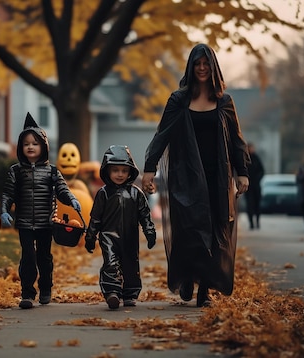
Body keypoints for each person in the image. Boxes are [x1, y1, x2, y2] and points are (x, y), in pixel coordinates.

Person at [141, 43, 250, 307]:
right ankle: (187, 276)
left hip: (216, 178)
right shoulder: (178, 101)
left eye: (206, 64)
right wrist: (149, 169)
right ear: (191, 67)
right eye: (197, 64)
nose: (202, 68)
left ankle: (206, 289)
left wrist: (242, 172)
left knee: (214, 231)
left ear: (213, 67)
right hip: (185, 177)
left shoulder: (224, 102)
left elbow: (236, 139)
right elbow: (162, 135)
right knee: (188, 230)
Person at [0, 112, 81, 309]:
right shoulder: (16, 171)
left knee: (44, 257)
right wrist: (3, 210)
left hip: (46, 222)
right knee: (28, 257)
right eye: (26, 143)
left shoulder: (52, 171)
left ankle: (46, 288)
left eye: (34, 143)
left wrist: (71, 199)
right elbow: (8, 194)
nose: (30, 147)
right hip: (25, 222)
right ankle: (27, 293)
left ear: (43, 147)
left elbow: (62, 189)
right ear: (21, 147)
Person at [84, 145, 157, 309]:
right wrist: (90, 237)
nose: (120, 174)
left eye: (124, 170)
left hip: (130, 237)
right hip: (108, 236)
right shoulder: (103, 193)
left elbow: (145, 215)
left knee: (131, 264)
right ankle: (112, 293)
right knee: (110, 263)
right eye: (115, 170)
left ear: (130, 171)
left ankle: (130, 294)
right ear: (107, 171)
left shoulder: (136, 193)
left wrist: (150, 232)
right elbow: (95, 218)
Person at [245, 143, 265, 230]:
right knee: (249, 205)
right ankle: (251, 223)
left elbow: (262, 171)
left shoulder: (256, 158)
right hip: (248, 186)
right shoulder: (245, 158)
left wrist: (257, 179)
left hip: (256, 185)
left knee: (257, 205)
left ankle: (257, 221)